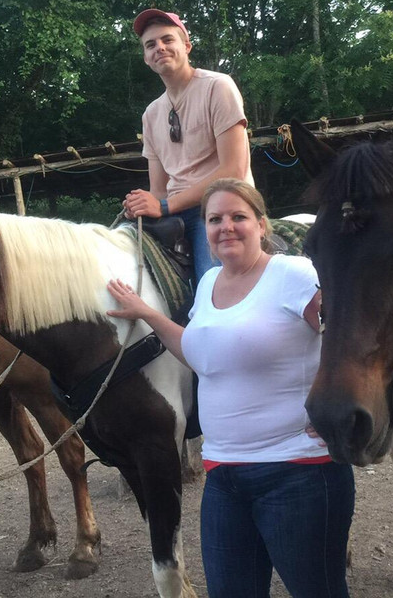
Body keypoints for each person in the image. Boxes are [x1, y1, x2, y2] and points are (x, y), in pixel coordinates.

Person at [107, 178, 355, 598]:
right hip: (224, 476)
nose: (226, 227)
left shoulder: (294, 275)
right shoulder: (207, 285)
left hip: (298, 471)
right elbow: (199, 353)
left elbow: (352, 337)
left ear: (262, 226)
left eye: (238, 217)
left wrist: (335, 406)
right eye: (215, 219)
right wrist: (146, 311)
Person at [123, 9, 252, 279]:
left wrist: (166, 206)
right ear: (146, 59)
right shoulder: (151, 114)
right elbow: (158, 189)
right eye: (150, 45)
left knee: (213, 286)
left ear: (187, 46)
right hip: (176, 215)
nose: (159, 47)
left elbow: (233, 171)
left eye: (167, 40)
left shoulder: (218, 86)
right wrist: (143, 206)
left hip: (223, 206)